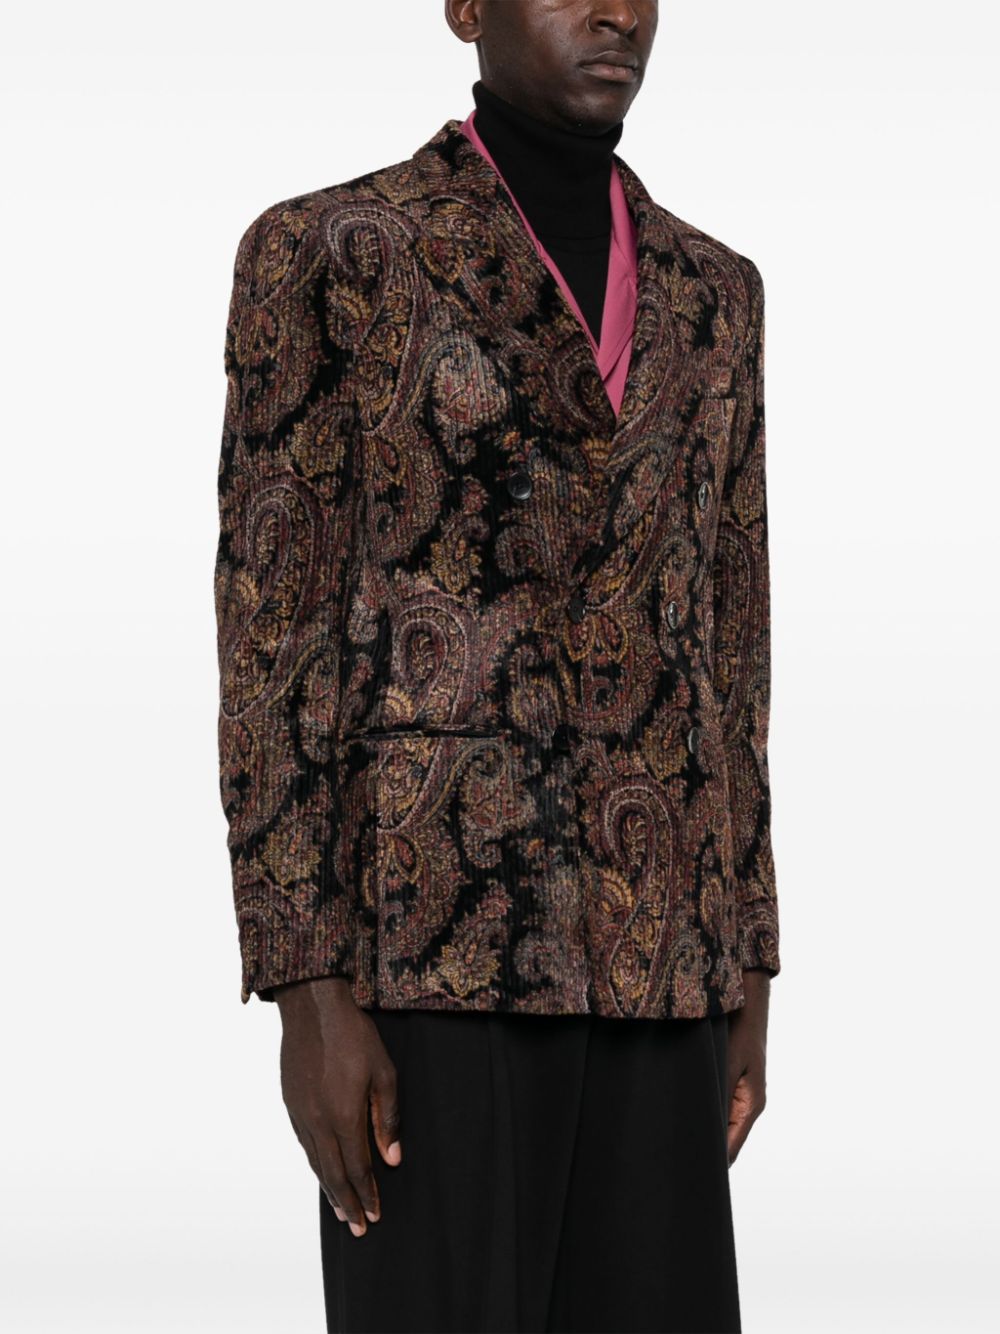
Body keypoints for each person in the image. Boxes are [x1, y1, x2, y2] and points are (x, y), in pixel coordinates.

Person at [213, 2, 779, 1330]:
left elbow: (733, 636)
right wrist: (307, 987)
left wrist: (747, 954)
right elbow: (270, 635)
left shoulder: (717, 292)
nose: (618, 9)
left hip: (662, 954)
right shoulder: (334, 251)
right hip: (431, 950)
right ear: (466, 7)